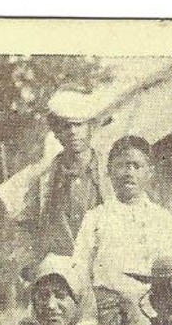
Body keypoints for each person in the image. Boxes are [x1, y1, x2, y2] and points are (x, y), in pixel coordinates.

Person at [72, 134, 172, 325]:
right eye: (121, 166)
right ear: (108, 172)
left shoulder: (164, 219)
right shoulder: (95, 218)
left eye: (136, 166)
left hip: (155, 315)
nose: (128, 172)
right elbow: (80, 273)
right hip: (108, 318)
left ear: (149, 172)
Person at [14, 89, 107, 260]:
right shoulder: (44, 178)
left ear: (91, 127)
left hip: (104, 267)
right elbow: (25, 225)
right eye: (65, 126)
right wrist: (29, 263)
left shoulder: (110, 172)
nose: (72, 132)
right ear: (56, 132)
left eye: (78, 125)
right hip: (60, 272)